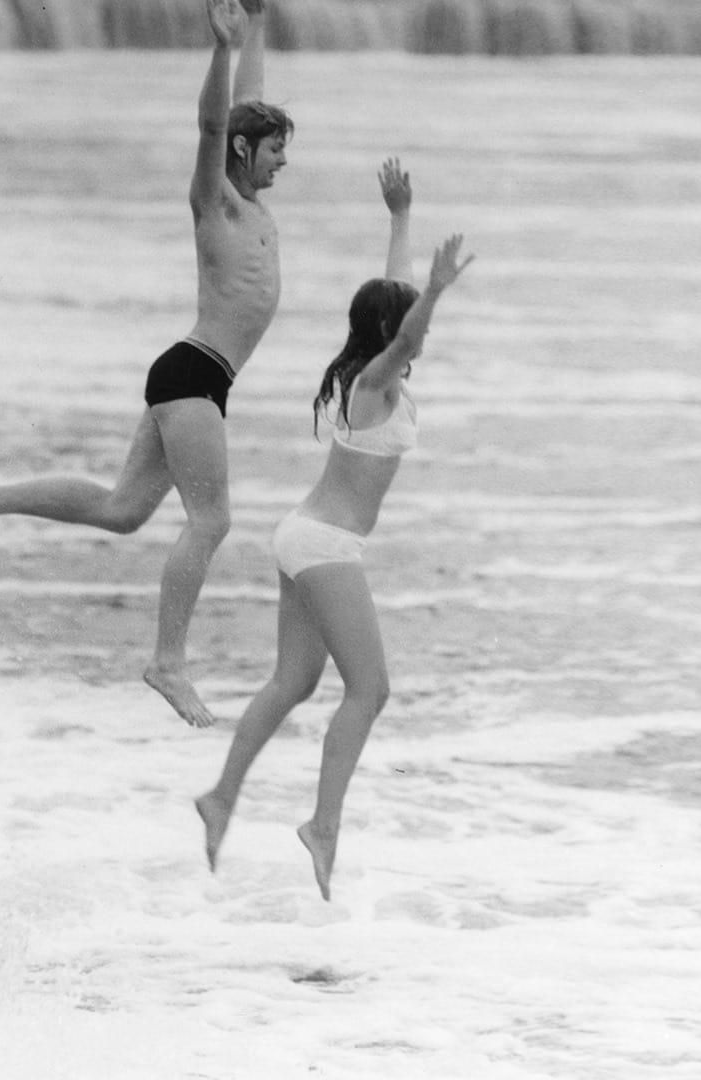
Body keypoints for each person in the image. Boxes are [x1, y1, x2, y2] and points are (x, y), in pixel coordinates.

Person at [0, 0, 291, 730]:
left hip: (197, 378)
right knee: (210, 522)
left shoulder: (249, 204)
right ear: (246, 154)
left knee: (124, 511)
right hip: (193, 373)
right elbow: (218, 125)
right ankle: (168, 662)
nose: (285, 159)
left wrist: (250, 33)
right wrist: (219, 52)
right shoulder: (212, 203)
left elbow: (244, 112)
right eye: (276, 148)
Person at [196, 160, 474, 901]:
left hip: (305, 537)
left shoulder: (368, 377)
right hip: (323, 544)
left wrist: (400, 219)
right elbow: (408, 321)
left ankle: (222, 796)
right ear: (391, 337)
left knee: (294, 680)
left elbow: (396, 298)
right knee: (370, 690)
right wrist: (439, 292)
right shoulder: (376, 381)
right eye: (409, 329)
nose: (419, 337)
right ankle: (322, 825)